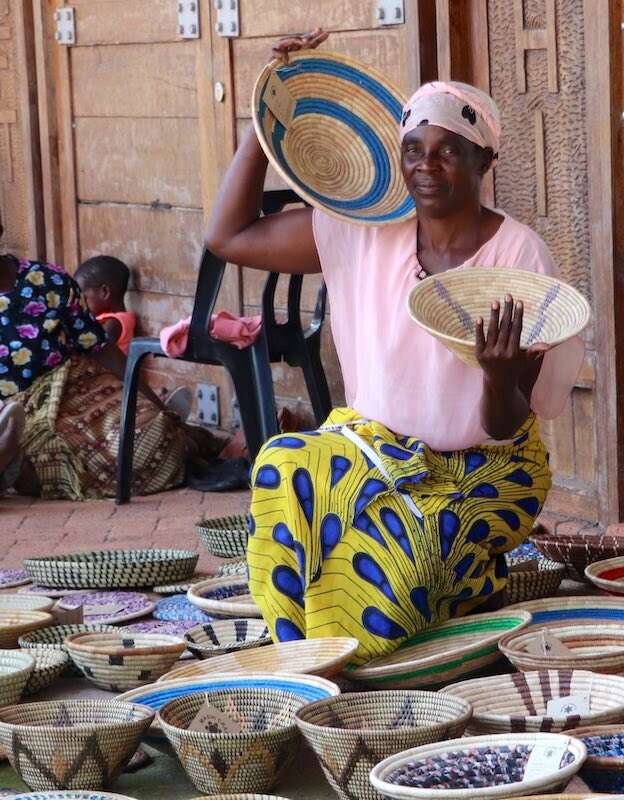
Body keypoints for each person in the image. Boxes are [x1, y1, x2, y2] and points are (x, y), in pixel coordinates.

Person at [205, 29, 585, 664]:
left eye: (447, 152)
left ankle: (467, 585)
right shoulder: (363, 231)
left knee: (390, 575)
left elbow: (507, 423)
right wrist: (265, 124)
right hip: (371, 453)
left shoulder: (517, 256)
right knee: (282, 466)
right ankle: (302, 659)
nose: (425, 167)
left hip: (482, 470)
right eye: (413, 150)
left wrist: (498, 377)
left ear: (483, 162)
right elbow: (229, 235)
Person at [0, 243, 195, 499]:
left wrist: (159, 407)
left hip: (77, 390)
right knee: (44, 463)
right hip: (17, 412)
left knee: (154, 436)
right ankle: (11, 458)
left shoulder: (48, 280)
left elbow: (100, 347)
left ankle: (9, 462)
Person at [75, 255, 192, 417]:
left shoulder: (114, 322)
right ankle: (162, 406)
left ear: (104, 292)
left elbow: (96, 350)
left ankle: (163, 413)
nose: (81, 304)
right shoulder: (109, 319)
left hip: (116, 382)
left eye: (84, 297)